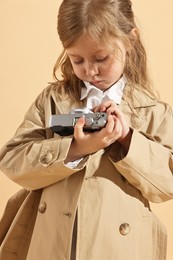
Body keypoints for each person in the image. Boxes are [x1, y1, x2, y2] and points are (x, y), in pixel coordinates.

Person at [0, 0, 173, 259]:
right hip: (52, 244)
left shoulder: (152, 111)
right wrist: (76, 149)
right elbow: (12, 159)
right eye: (76, 59)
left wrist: (126, 139)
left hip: (119, 250)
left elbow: (167, 183)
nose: (90, 71)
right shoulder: (52, 100)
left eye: (101, 58)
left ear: (129, 40)